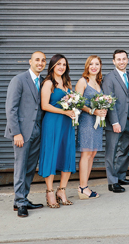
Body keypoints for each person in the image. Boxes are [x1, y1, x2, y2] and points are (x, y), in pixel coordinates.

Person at [5, 51, 46, 217]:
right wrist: (16, 133)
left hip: (37, 130)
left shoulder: (43, 82)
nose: (40, 63)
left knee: (30, 168)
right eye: (37, 60)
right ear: (30, 61)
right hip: (22, 132)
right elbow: (11, 108)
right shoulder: (19, 80)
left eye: (43, 60)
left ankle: (23, 198)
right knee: (20, 167)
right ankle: (19, 202)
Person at [39, 54, 77, 208]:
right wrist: (64, 112)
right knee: (52, 155)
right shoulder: (48, 83)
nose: (62, 67)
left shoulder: (67, 83)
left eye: (64, 64)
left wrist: (74, 110)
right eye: (59, 64)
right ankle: (49, 192)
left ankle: (61, 190)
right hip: (53, 122)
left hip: (67, 123)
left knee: (67, 154)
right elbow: (45, 105)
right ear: (53, 66)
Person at [102, 49, 129, 193]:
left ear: (127, 60)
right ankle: (112, 181)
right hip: (115, 121)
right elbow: (109, 101)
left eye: (124, 59)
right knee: (112, 150)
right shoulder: (109, 78)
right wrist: (115, 122)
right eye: (119, 59)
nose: (121, 61)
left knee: (125, 149)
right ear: (114, 61)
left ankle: (121, 176)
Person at [74, 55, 106, 199]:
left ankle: (85, 185)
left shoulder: (98, 82)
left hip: (97, 124)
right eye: (91, 64)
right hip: (86, 121)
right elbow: (77, 102)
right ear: (87, 66)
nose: (94, 66)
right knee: (86, 154)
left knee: (92, 154)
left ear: (100, 67)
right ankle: (82, 187)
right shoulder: (83, 81)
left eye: (97, 64)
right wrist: (93, 111)